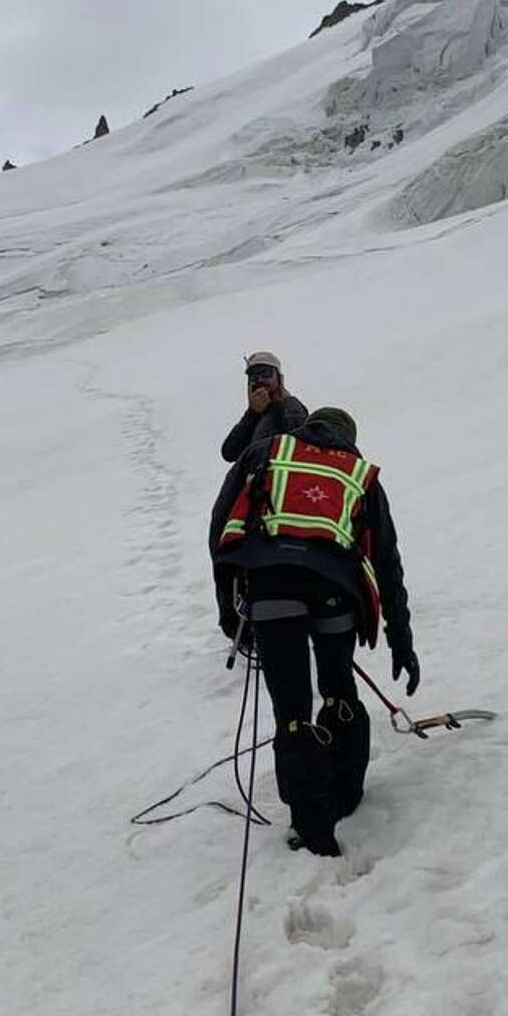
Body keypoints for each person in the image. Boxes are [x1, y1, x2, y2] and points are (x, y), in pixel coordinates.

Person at [208, 406, 418, 856]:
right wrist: (402, 642)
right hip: (335, 593)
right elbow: (387, 564)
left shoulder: (267, 452)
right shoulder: (359, 473)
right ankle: (346, 793)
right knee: (339, 690)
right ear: (349, 438)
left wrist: (230, 611)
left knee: (293, 710)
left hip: (271, 590)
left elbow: (221, 524)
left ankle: (313, 828)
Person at [220, 351, 308, 463]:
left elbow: (300, 440)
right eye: (254, 376)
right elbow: (229, 453)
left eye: (266, 374)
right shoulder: (255, 416)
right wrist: (252, 413)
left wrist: (285, 399)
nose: (260, 380)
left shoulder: (291, 407)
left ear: (279, 378)